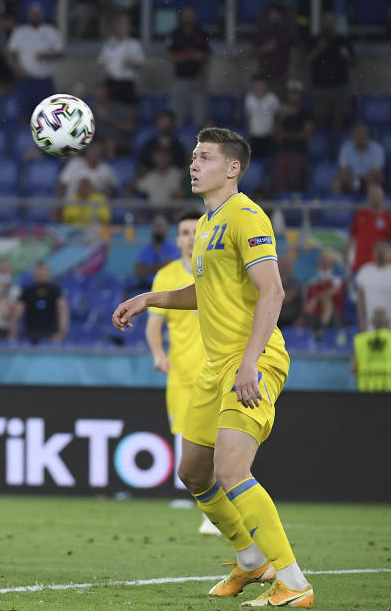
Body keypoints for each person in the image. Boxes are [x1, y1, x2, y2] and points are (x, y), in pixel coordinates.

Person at [113, 127, 314, 607]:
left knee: (230, 468)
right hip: (215, 364)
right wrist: (151, 298)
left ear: (232, 168)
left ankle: (294, 582)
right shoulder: (207, 224)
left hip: (254, 360)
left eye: (204, 157)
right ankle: (250, 560)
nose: (193, 165)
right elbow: (206, 293)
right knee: (194, 472)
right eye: (193, 157)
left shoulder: (247, 215)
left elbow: (274, 291)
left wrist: (250, 363)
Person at [145, 210, 221, 537]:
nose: (190, 237)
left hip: (218, 369)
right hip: (182, 373)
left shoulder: (216, 270)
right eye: (184, 232)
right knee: (185, 436)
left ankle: (218, 507)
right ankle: (194, 497)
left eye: (195, 231)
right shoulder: (166, 276)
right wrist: (159, 354)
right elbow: (153, 325)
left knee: (221, 438)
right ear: (177, 239)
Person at [7, 3, 64, 123]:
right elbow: (10, 54)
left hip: (44, 80)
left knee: (46, 117)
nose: (35, 16)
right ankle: (23, 141)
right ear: (28, 15)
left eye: (38, 14)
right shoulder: (20, 32)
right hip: (25, 81)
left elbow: (61, 53)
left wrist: (46, 55)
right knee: (24, 115)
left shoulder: (51, 31)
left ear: (42, 15)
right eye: (33, 13)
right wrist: (17, 69)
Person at [304, 11, 355, 132]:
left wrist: (346, 57)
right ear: (322, 22)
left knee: (339, 118)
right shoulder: (314, 39)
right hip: (320, 86)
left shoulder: (343, 40)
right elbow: (306, 61)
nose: (329, 24)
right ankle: (321, 148)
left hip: (340, 85)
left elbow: (354, 62)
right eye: (327, 21)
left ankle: (336, 147)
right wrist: (319, 48)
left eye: (332, 21)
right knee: (320, 118)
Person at [167, 6, 211, 127]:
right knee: (177, 117)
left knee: (200, 119)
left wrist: (200, 76)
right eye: (186, 14)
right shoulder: (175, 34)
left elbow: (207, 58)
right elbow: (170, 57)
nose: (189, 16)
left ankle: (198, 145)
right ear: (181, 16)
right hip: (180, 79)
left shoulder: (202, 33)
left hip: (198, 80)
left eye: (191, 14)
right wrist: (190, 55)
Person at [271, 80, 313, 194]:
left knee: (294, 181)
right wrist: (282, 119)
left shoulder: (305, 113)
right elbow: (276, 136)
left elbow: (306, 135)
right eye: (291, 93)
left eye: (296, 93)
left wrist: (287, 135)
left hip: (299, 152)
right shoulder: (281, 113)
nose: (293, 96)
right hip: (283, 152)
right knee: (279, 181)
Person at [10, 262, 68, 344]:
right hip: (30, 334)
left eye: (45, 271)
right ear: (34, 274)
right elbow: (17, 313)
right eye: (40, 271)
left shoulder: (56, 292)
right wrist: (12, 334)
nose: (42, 274)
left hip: (51, 334)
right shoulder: (27, 292)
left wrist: (62, 333)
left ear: (49, 274)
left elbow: (63, 311)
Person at [98, 14, 144, 106]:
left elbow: (140, 64)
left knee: (127, 110)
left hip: (127, 82)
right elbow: (101, 61)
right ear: (116, 26)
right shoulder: (109, 43)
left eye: (125, 24)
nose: (123, 27)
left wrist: (131, 63)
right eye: (121, 24)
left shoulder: (134, 44)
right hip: (111, 82)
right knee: (110, 108)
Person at [347, 182, 391, 275]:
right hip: (360, 265)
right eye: (372, 195)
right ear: (368, 197)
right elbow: (351, 237)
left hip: (378, 267)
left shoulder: (387, 218)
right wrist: (346, 255)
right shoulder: (359, 215)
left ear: (382, 197)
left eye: (377, 195)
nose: (375, 198)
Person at [252, 4, 293, 97]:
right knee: (266, 104)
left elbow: (296, 49)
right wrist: (265, 49)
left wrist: (291, 71)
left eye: (277, 13)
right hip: (265, 74)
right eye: (272, 13)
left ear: (281, 15)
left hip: (281, 75)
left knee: (279, 103)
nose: (275, 16)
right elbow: (253, 53)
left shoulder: (286, 31)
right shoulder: (262, 30)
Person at [333, 122, 385, 194]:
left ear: (367, 136)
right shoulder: (346, 148)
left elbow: (376, 172)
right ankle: (338, 203)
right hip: (350, 180)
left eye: (362, 135)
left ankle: (369, 204)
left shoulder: (377, 149)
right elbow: (343, 170)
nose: (360, 138)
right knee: (336, 183)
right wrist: (352, 180)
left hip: (369, 180)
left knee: (373, 183)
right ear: (353, 136)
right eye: (358, 135)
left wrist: (360, 180)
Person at [133, 214, 181, 289]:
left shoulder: (173, 248)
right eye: (156, 226)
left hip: (168, 287)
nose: (158, 229)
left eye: (161, 226)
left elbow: (174, 268)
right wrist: (162, 266)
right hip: (146, 287)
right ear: (152, 229)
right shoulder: (146, 249)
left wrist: (147, 269)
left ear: (166, 229)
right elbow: (138, 271)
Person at [300, 250, 343, 332]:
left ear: (332, 266)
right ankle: (317, 330)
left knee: (327, 299)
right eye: (322, 264)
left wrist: (315, 299)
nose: (324, 267)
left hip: (334, 318)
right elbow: (306, 305)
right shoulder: (311, 284)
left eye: (327, 264)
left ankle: (322, 327)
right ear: (317, 266)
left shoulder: (337, 281)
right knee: (308, 308)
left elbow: (332, 292)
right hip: (314, 316)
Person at [355, 241, 391, 334]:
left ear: (389, 253)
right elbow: (360, 299)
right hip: (370, 324)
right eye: (379, 252)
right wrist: (362, 321)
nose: (381, 255)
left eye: (383, 252)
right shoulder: (365, 271)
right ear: (374, 253)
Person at [352, 308, 391, 391]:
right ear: (388, 322)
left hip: (366, 391)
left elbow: (353, 368)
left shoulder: (360, 339)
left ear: (372, 322)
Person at [244, 75, 280, 161]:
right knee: (254, 160)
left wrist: (275, 130)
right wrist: (248, 133)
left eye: (261, 84)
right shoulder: (249, 98)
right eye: (257, 84)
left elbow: (278, 115)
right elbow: (248, 117)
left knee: (268, 160)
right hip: (254, 136)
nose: (259, 87)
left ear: (265, 85)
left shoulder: (272, 98)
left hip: (268, 135)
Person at [277, 252, 303, 328]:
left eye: (288, 265)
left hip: (291, 323)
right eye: (283, 265)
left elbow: (287, 297)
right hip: (273, 321)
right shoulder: (272, 282)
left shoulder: (296, 283)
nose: (285, 267)